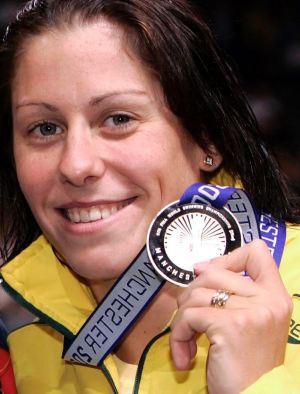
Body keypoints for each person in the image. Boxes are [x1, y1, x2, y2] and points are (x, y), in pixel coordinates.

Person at [0, 0, 299, 393]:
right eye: (44, 128)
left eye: (118, 119)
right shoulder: (24, 352)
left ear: (206, 135)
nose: (76, 164)